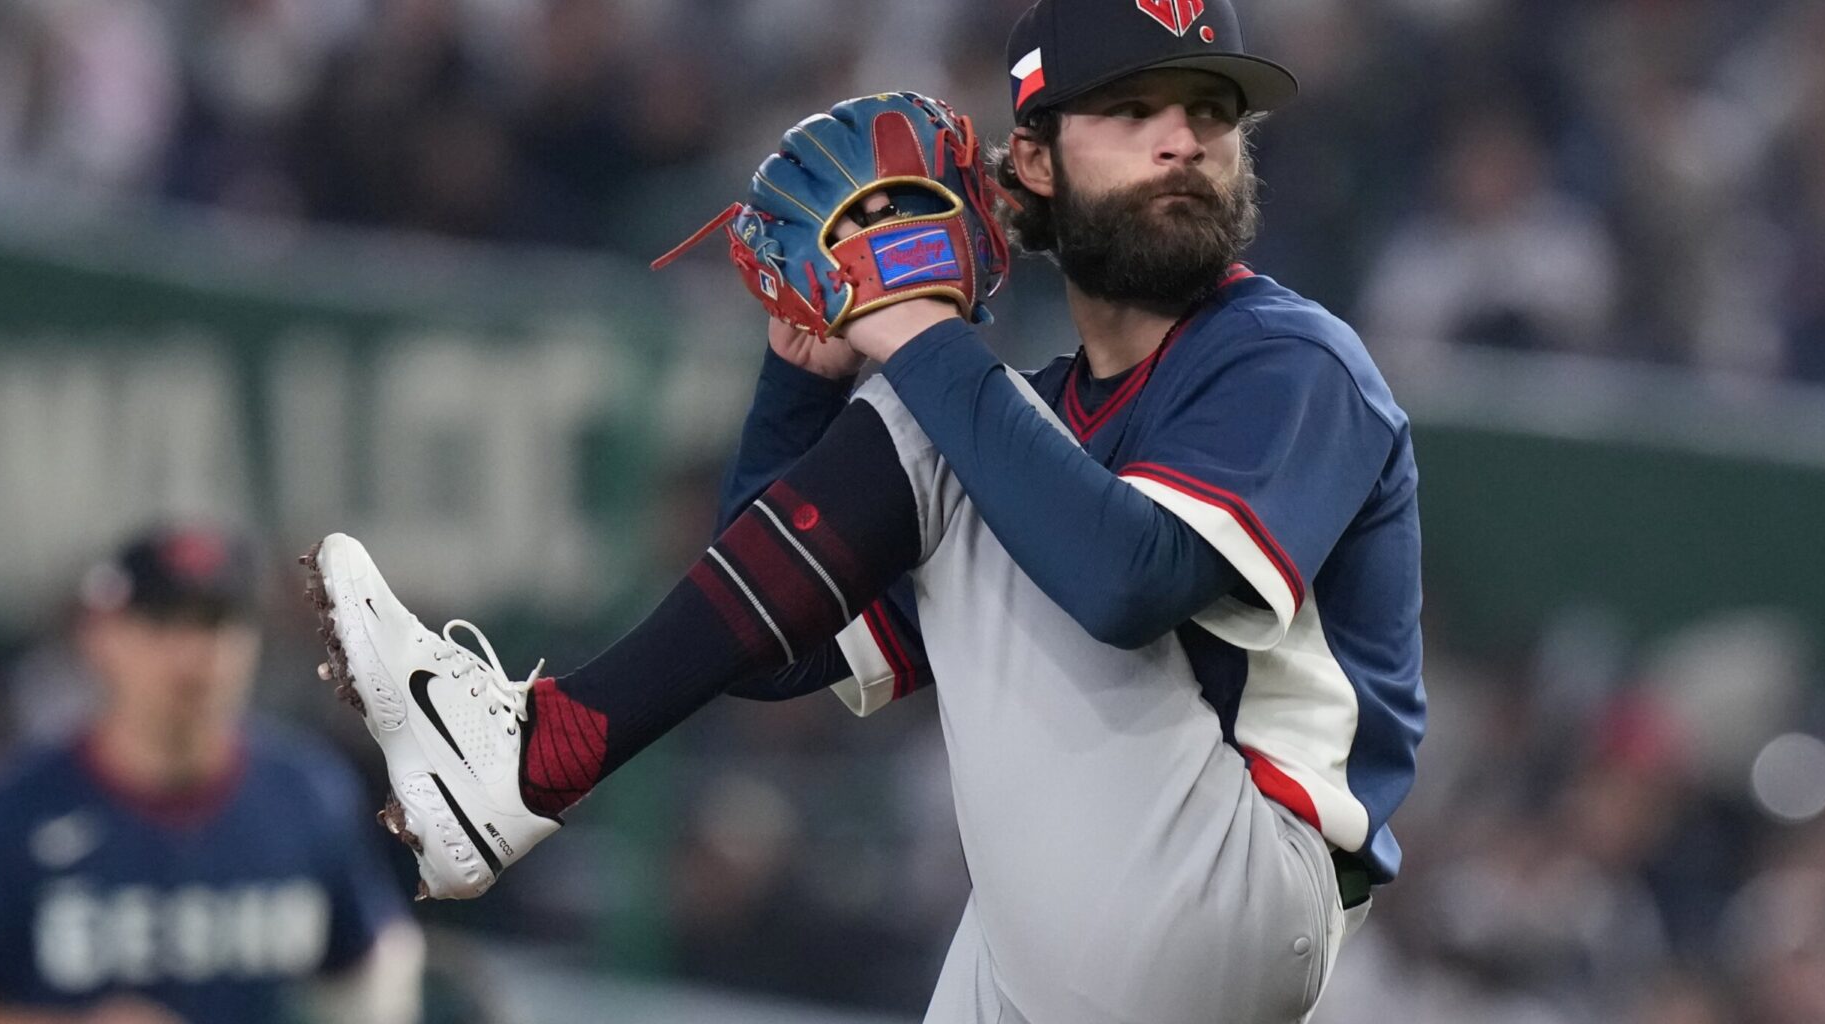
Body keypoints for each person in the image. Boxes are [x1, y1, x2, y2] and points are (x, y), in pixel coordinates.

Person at [307, 0, 1424, 1020]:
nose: (1185, 138)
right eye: (1134, 110)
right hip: (1070, 936)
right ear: (1030, 161)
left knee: (950, 431)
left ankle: (535, 756)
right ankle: (529, 757)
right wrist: (800, 380)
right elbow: (775, 647)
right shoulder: (1025, 414)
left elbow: (1128, 580)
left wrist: (906, 326)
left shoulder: (1289, 357)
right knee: (956, 428)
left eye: (1212, 112)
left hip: (1234, 883)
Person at [0, 527, 422, 1024]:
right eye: (160, 623)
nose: (191, 656)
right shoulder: (10, 815)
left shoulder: (308, 795)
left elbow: (374, 958)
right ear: (100, 637)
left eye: (215, 624)